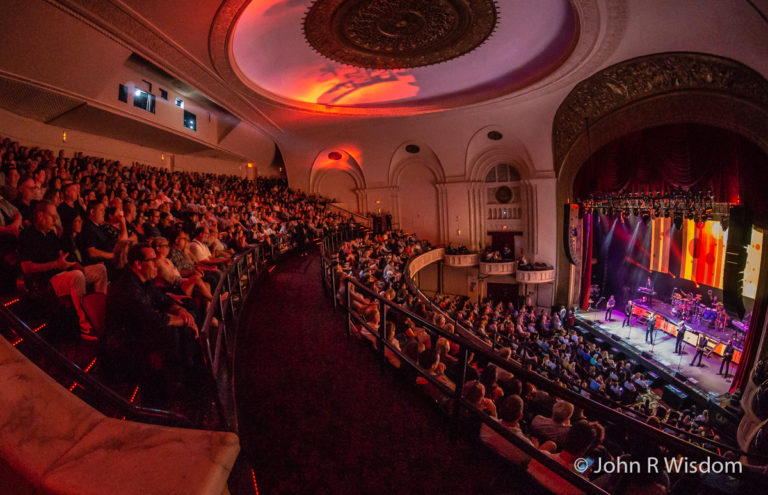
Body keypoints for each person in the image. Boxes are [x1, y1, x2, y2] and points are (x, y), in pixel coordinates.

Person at [18, 200, 107, 340]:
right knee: (77, 276)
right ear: (41, 216)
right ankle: (85, 324)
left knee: (100, 269)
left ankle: (99, 312)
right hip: (45, 280)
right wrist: (56, 264)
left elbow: (60, 255)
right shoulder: (28, 235)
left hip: (62, 272)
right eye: (52, 216)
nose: (55, 220)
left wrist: (73, 264)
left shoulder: (51, 234)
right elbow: (26, 267)